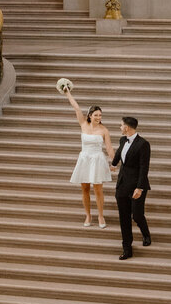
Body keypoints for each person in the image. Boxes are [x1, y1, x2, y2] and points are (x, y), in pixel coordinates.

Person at [62, 86, 114, 227]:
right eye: (96, 115)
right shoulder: (83, 124)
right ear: (90, 115)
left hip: (97, 159)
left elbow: (109, 148)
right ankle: (88, 215)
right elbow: (76, 108)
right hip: (84, 158)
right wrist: (67, 93)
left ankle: (101, 216)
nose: (98, 117)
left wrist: (114, 163)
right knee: (84, 188)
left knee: (98, 189)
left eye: (100, 115)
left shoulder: (104, 130)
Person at [110, 116, 151, 260]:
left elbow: (144, 168)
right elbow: (119, 153)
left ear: (127, 127)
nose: (120, 128)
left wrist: (139, 188)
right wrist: (113, 165)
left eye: (121, 125)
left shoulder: (143, 144)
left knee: (137, 215)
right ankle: (127, 248)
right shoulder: (122, 140)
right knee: (124, 218)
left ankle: (146, 234)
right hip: (122, 185)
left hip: (137, 186)